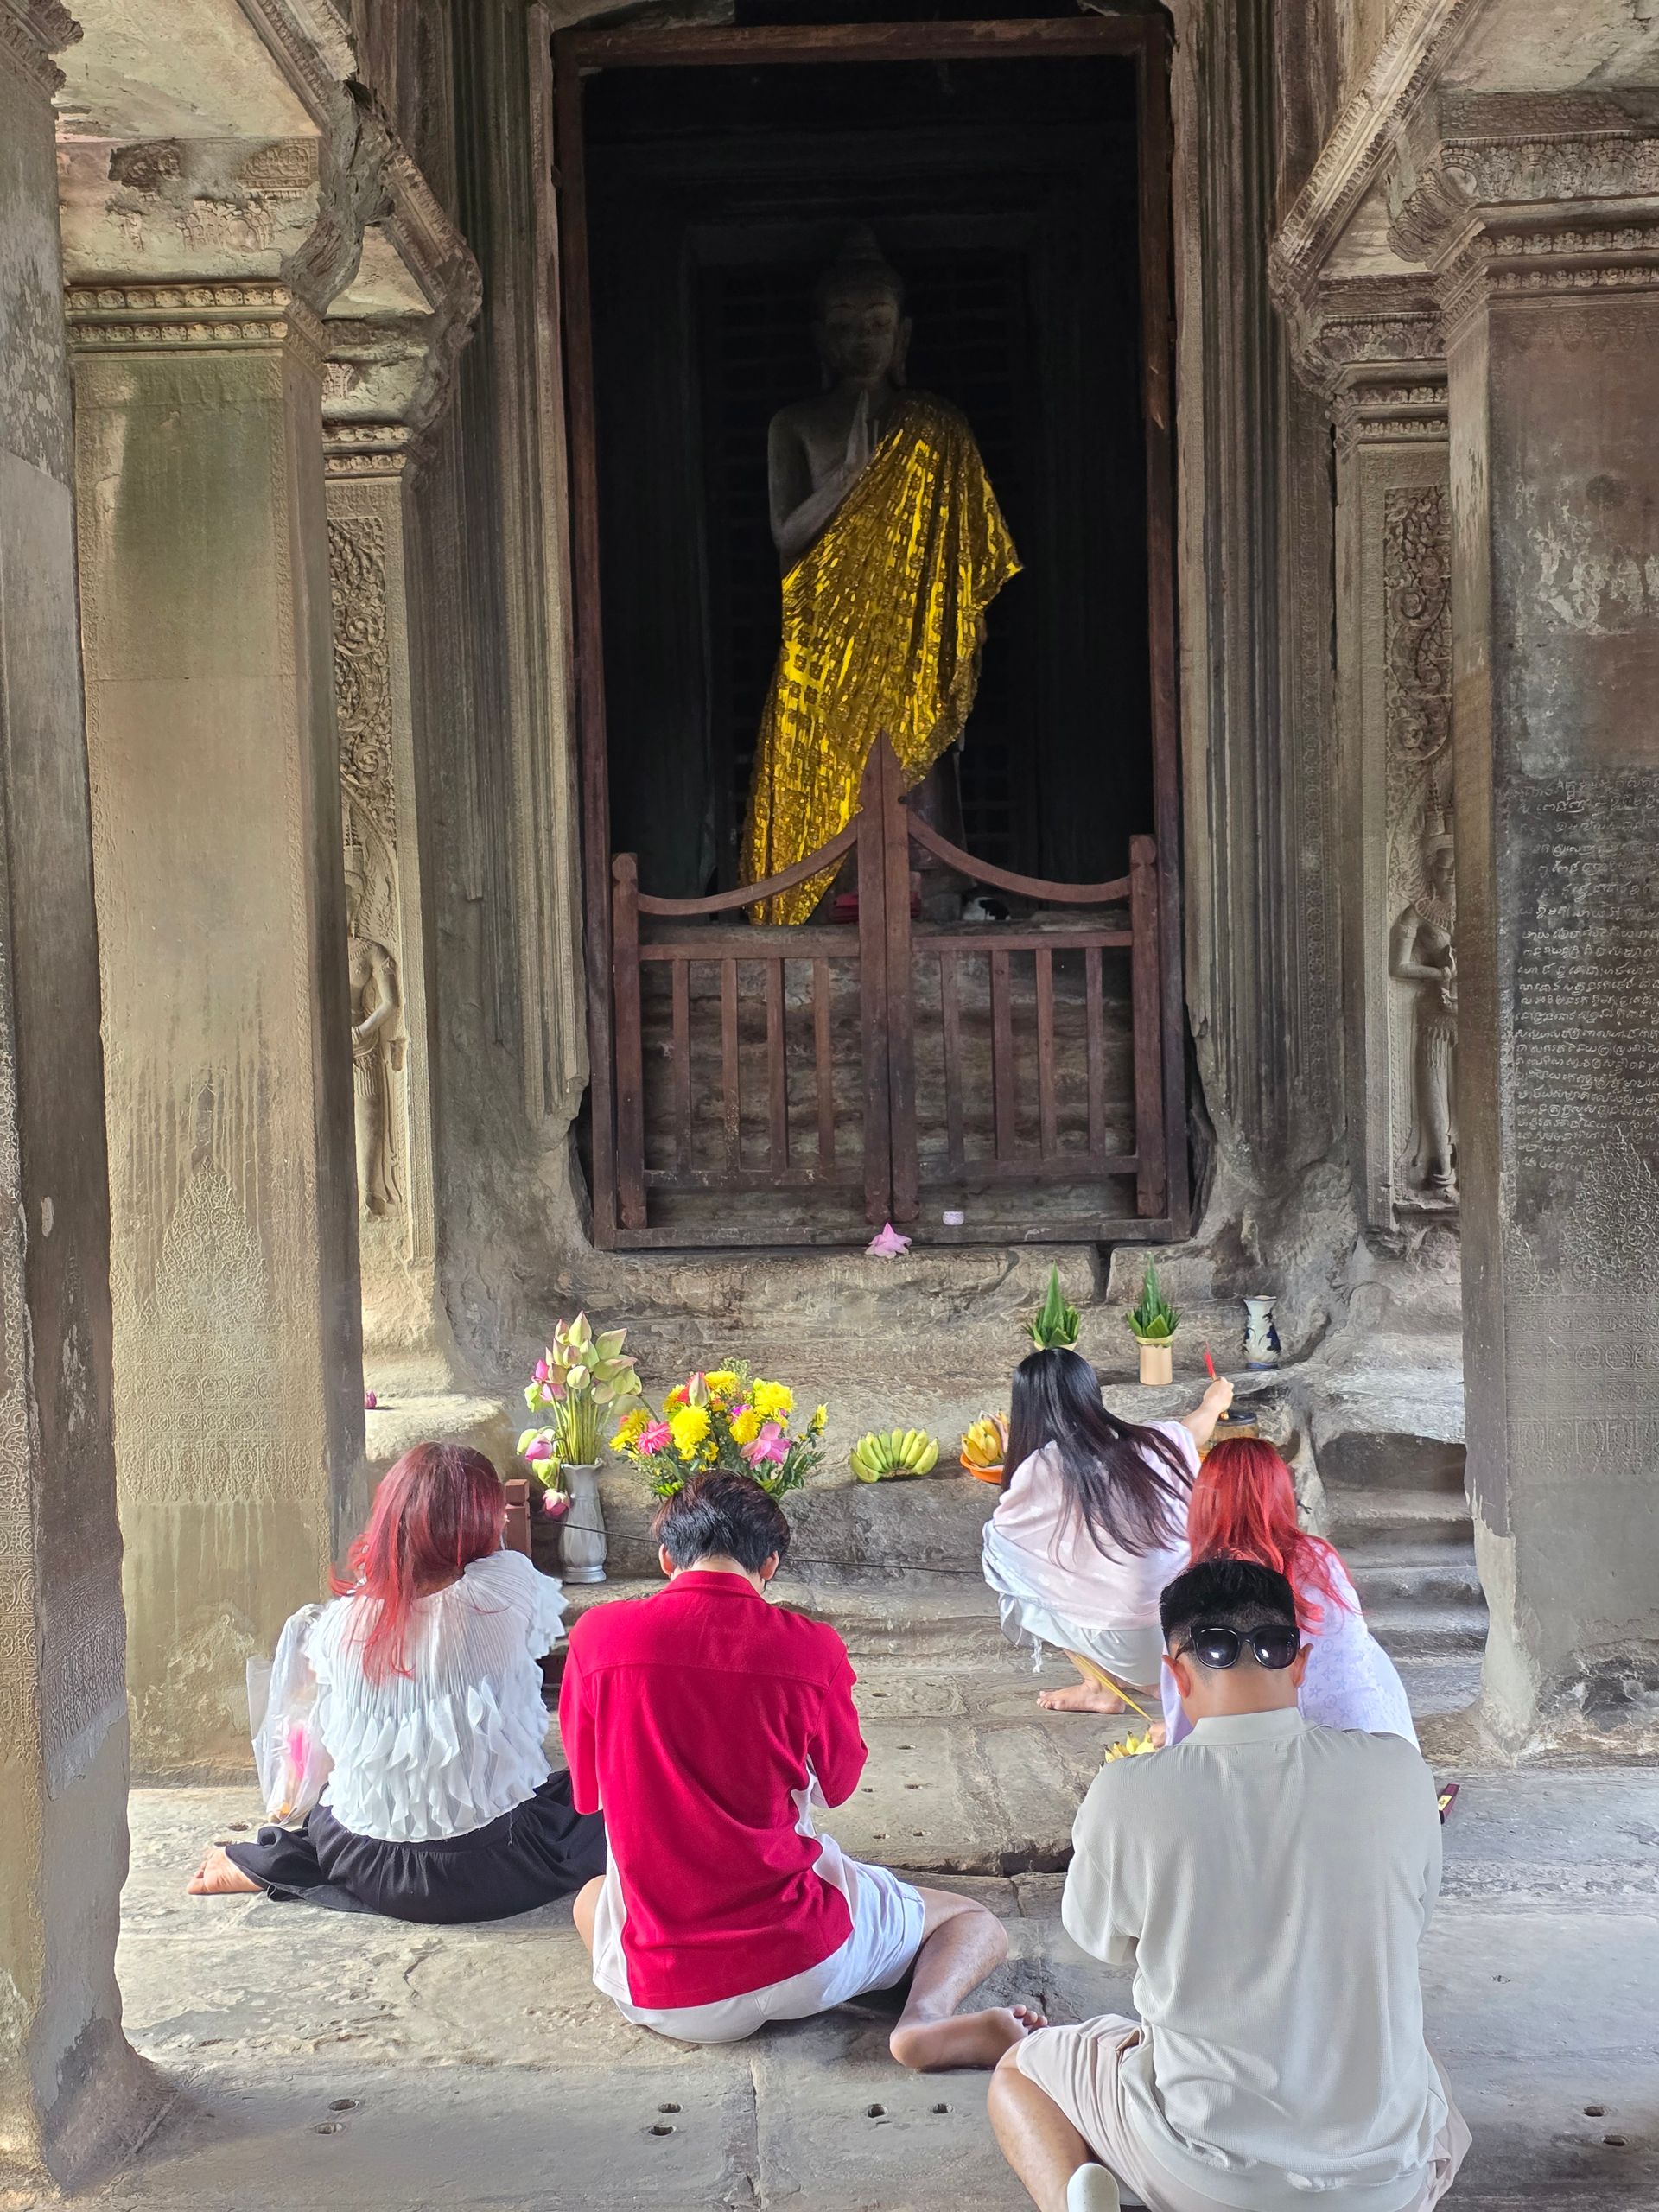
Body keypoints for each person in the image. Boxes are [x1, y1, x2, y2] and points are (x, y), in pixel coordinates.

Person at [989, 1559, 1468, 2212]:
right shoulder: (1398, 1770)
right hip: (1386, 2182)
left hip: (1205, 2175)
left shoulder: (1128, 1793)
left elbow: (1100, 1938)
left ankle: (1076, 2198)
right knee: (1422, 2076)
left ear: (1176, 1673)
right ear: (1299, 1666)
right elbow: (1413, 1917)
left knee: (1021, 2070)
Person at [561, 1470, 1046, 2064]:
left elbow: (587, 1792)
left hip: (661, 1992)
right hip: (803, 1959)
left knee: (592, 1897)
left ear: (666, 1557)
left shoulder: (597, 1636)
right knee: (972, 1922)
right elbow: (838, 1784)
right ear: (769, 1564)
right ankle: (922, 2018)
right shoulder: (811, 1647)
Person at [188, 1442, 605, 1921]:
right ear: (481, 1519)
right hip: (487, 1869)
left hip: (360, 1860)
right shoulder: (506, 1587)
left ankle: (278, 1861)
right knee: (611, 1797)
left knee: (347, 1797)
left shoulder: (338, 1623)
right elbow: (514, 1603)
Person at [982, 1346, 1233, 1719]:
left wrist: (1020, 1465)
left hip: (1131, 1646)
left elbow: (1006, 1540)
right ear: (1090, 1392)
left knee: (1006, 1561)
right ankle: (1162, 1682)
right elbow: (1193, 1429)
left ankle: (1102, 1687)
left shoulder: (1042, 1467)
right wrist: (1215, 1401)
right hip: (1193, 1633)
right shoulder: (1158, 1439)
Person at [1160, 1435, 1416, 1746]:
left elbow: (1186, 1678)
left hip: (1259, 1746)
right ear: (1281, 1494)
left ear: (1204, 1499)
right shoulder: (1319, 1558)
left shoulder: (1202, 1580)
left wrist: (1177, 1737)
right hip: (1363, 1732)